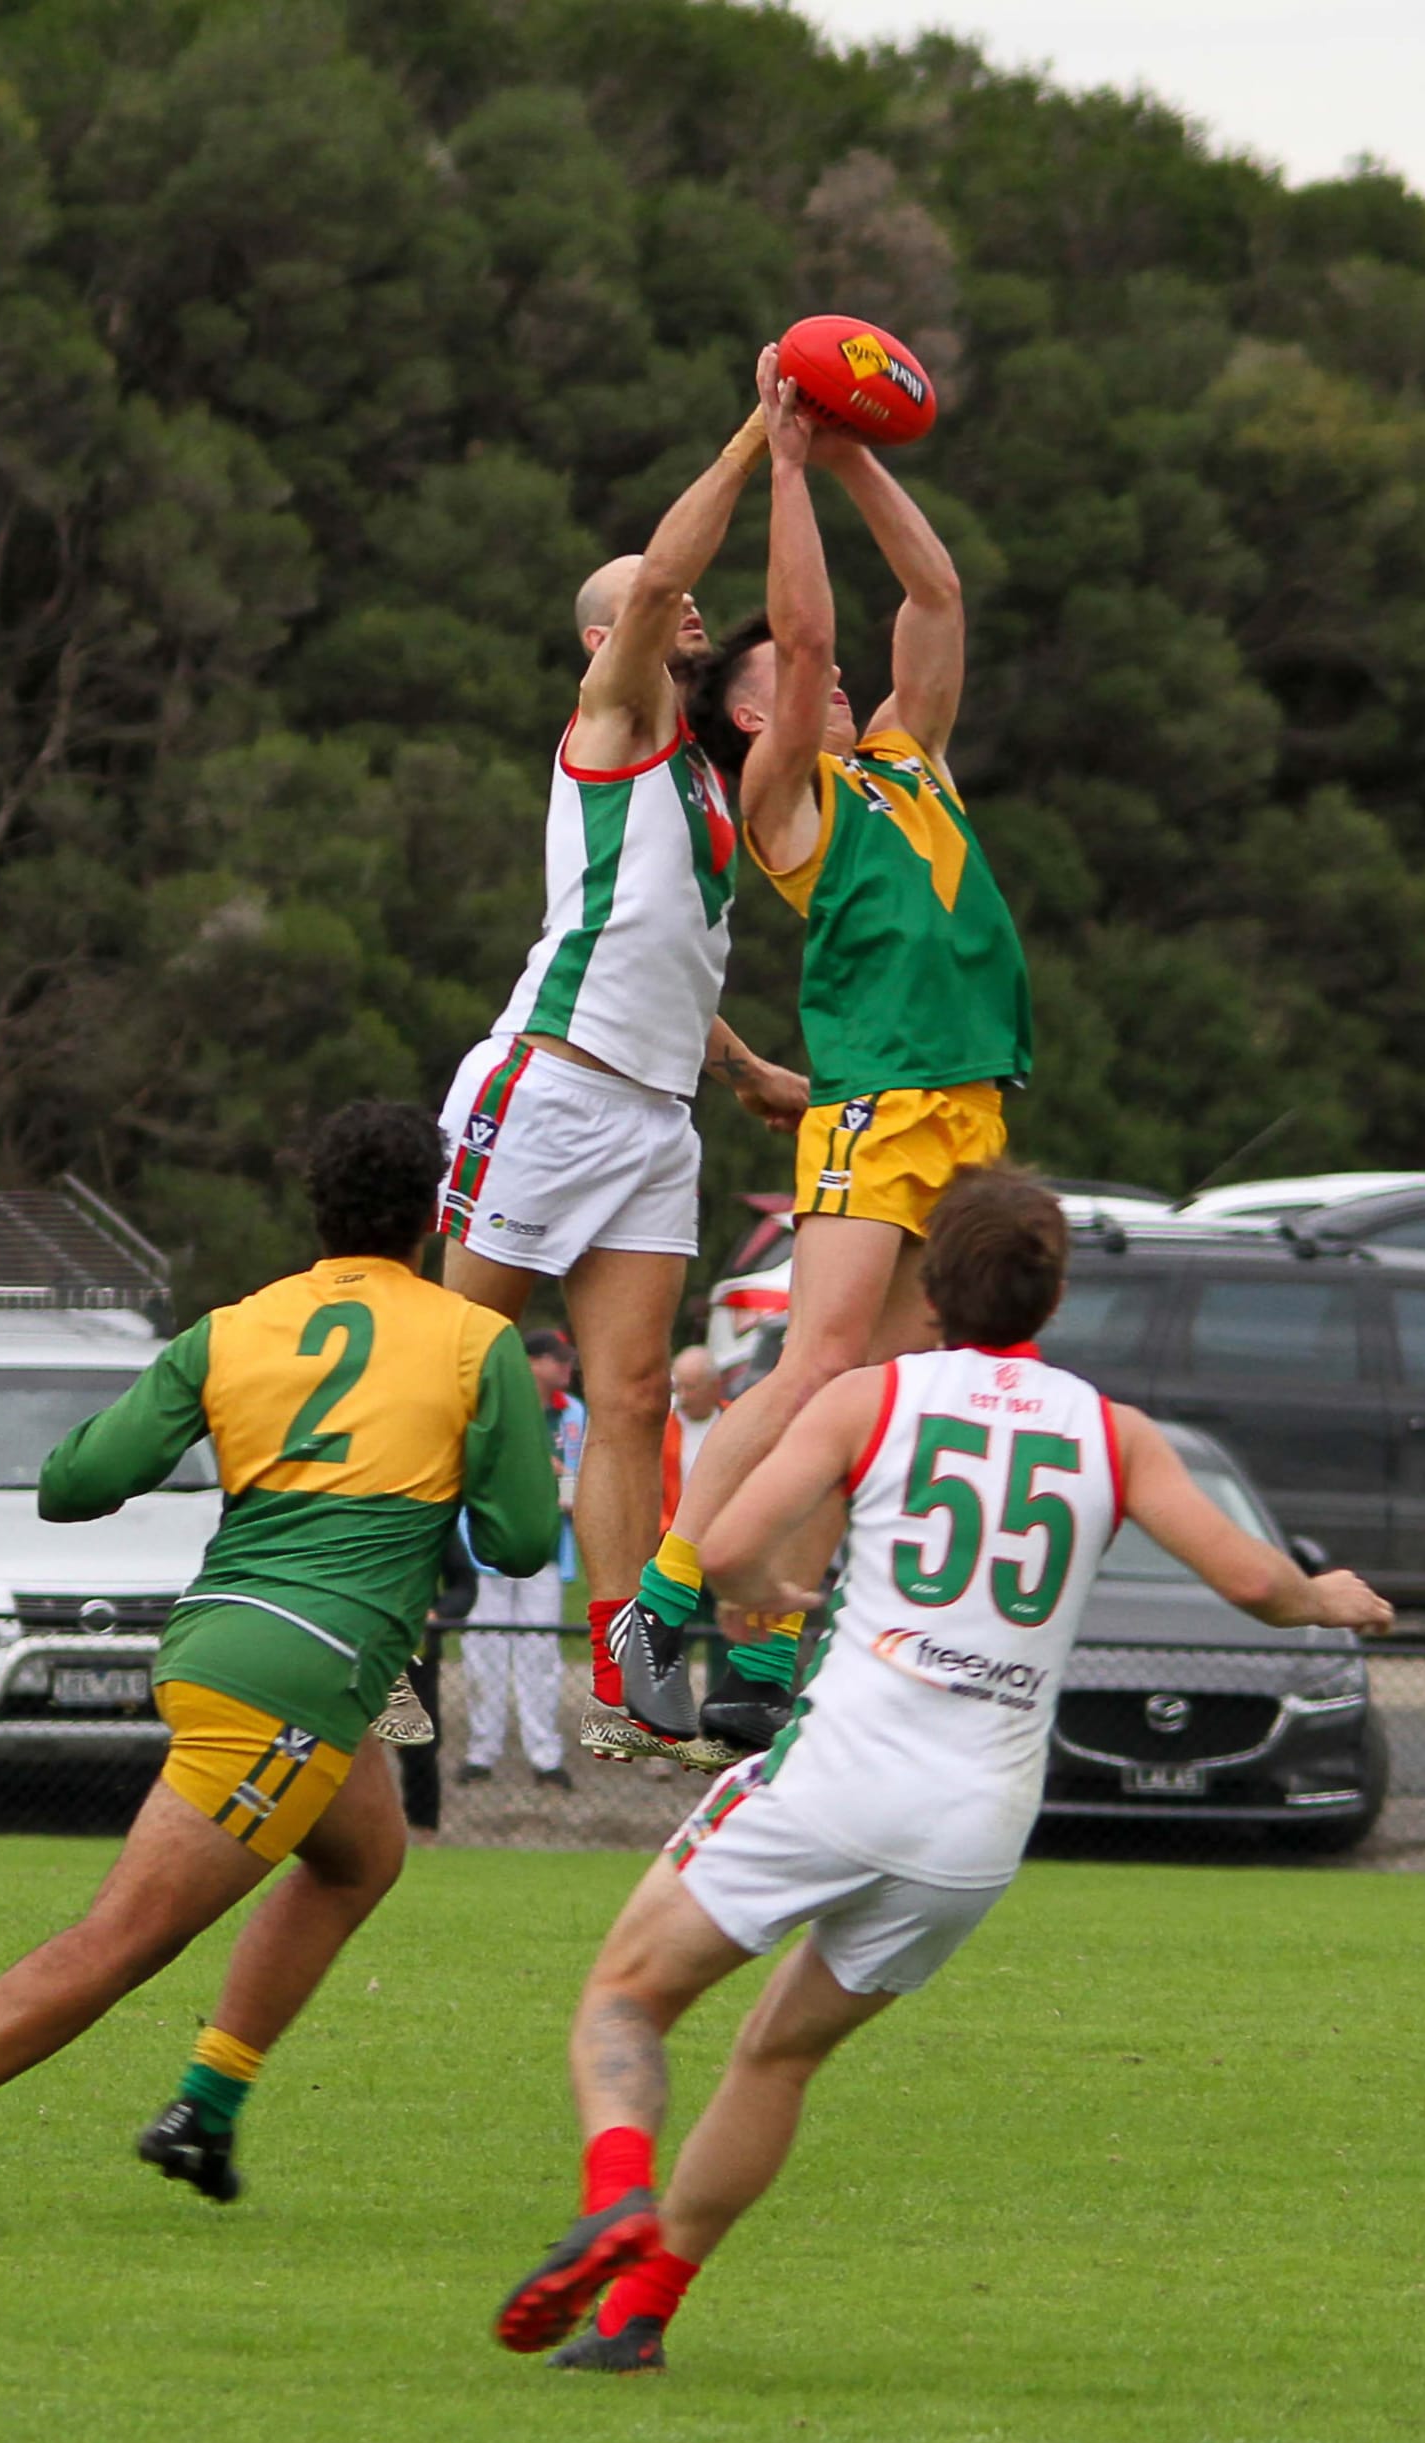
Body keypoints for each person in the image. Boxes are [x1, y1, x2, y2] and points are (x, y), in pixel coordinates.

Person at [495, 1168, 1395, 2368]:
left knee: (625, 1997)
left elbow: (723, 1544)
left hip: (836, 1776)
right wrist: (1318, 1595)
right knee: (779, 2052)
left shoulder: (872, 1398)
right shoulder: (1109, 1432)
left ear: (927, 1287)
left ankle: (615, 2192)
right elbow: (1246, 1580)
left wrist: (755, 1587)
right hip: (973, 1828)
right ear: (1053, 1292)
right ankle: (639, 2317)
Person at [0, 1102, 558, 2223]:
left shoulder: (232, 1328)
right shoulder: (475, 1340)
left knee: (361, 1856)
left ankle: (207, 2105)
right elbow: (516, 1543)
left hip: (223, 1637)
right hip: (303, 1670)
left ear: (315, 1209)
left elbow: (72, 1482)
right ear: (437, 1208)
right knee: (126, 1936)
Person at [609, 345, 1031, 1763]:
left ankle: (765, 1653)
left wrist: (855, 457)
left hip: (969, 1103)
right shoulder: (787, 798)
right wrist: (785, 468)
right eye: (800, 681)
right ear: (748, 721)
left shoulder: (911, 761)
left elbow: (937, 596)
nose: (838, 677)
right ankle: (662, 1603)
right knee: (813, 1369)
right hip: (884, 1103)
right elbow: (801, 643)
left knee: (888, 1390)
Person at [435, 402, 808, 1764]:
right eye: (673, 607)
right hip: (550, 1087)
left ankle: (622, 1671)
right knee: (450, 1368)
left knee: (636, 1396)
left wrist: (748, 1063)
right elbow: (655, 579)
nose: (694, 613)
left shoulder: (703, 783)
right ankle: (364, 1606)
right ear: (611, 642)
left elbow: (663, 948)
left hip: (653, 1114)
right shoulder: (612, 719)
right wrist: (758, 437)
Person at [459, 1331, 584, 1789]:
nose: (568, 1369)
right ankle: (481, 1751)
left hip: (545, 1550)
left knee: (540, 1652)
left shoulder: (572, 1414)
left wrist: (560, 1478)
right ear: (532, 1363)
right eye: (560, 1360)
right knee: (482, 1651)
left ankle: (545, 1755)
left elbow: (579, 1483)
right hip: (486, 1550)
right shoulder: (490, 1403)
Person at [660, 1343, 723, 1531]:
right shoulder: (661, 1432)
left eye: (691, 1388)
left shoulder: (737, 1420)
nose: (682, 1396)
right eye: (677, 1387)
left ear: (714, 1387)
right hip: (675, 1537)